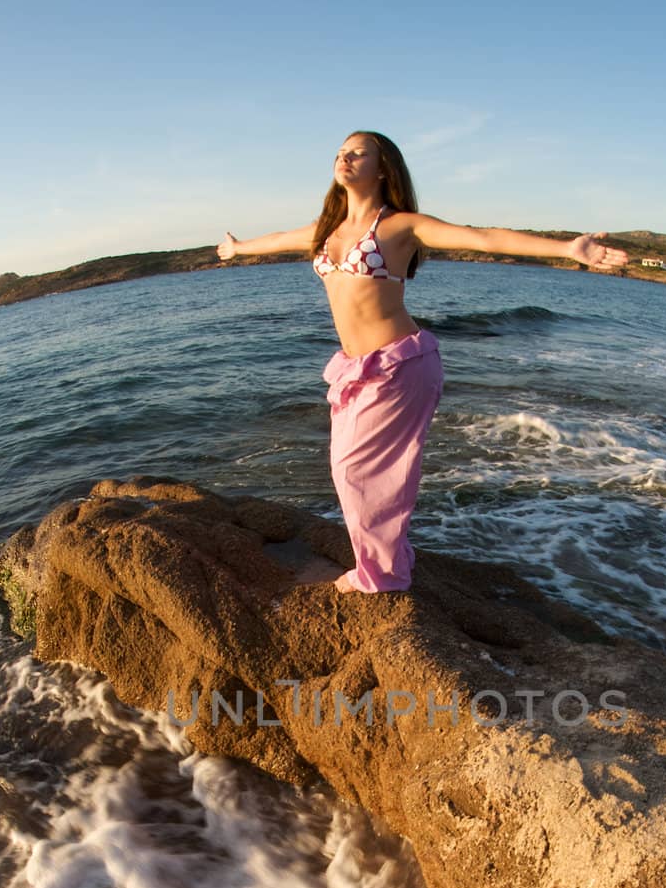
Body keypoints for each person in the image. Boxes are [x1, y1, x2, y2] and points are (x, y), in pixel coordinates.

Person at [217, 131, 627, 594]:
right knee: (352, 470)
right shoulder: (326, 230)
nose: (344, 159)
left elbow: (484, 238)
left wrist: (568, 250)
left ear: (383, 168)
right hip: (357, 369)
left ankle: (382, 576)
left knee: (358, 471)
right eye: (339, 153)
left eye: (357, 153)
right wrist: (238, 248)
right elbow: (275, 240)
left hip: (399, 365)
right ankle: (386, 560)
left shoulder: (399, 226)